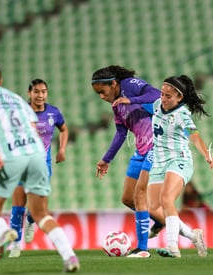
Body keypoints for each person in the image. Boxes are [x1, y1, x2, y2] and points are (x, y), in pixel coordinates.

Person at [0, 62, 79, 272]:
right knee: (42, 213)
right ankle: (69, 256)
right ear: (0, 82)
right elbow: (32, 127)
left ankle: (7, 234)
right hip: (36, 154)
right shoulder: (16, 99)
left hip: (9, 154)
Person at [92, 65, 162, 257]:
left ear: (113, 84)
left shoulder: (129, 85)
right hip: (141, 150)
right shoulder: (116, 105)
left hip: (155, 147)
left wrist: (131, 99)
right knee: (127, 198)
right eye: (98, 94)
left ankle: (142, 249)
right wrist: (106, 159)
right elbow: (121, 133)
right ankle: (167, 223)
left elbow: (156, 95)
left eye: (102, 92)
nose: (101, 97)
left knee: (140, 196)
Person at [147, 75, 213, 258]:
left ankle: (173, 246)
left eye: (168, 96)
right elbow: (142, 107)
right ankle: (192, 234)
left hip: (178, 160)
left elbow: (194, 135)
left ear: (179, 98)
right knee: (152, 207)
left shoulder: (182, 113)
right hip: (158, 162)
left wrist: (208, 156)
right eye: (162, 94)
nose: (163, 99)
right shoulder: (156, 105)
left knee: (166, 199)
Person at [9, 79, 69, 258]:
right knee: (17, 207)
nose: (40, 95)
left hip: (42, 166)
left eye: (43, 92)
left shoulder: (53, 112)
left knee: (38, 209)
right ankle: (15, 246)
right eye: (36, 92)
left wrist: (62, 149)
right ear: (30, 93)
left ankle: (30, 221)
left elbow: (64, 130)